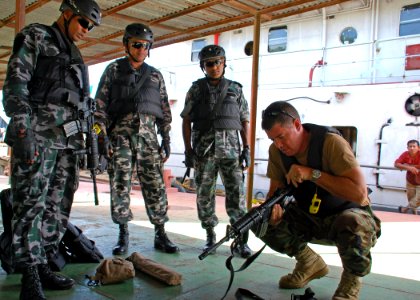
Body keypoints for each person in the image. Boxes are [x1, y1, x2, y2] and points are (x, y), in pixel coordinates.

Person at [2, 0, 101, 299]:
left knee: (57, 206)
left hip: (68, 143)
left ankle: (44, 260)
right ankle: (29, 273)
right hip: (39, 135)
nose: (86, 30)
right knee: (29, 203)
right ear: (67, 13)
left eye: (91, 26)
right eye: (84, 22)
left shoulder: (76, 55)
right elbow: (16, 84)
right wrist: (23, 130)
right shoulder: (36, 36)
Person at [255, 101, 381, 299]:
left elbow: (360, 194)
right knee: (257, 219)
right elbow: (274, 193)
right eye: (273, 140)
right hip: (310, 216)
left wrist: (312, 174)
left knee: (353, 222)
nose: (279, 145)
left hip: (345, 216)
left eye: (281, 137)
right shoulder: (277, 152)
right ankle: (308, 262)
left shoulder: (330, 143)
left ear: (297, 125)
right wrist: (272, 212)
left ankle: (351, 280)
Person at [94, 23, 179, 255]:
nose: (141, 49)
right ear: (126, 45)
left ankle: (160, 233)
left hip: (149, 140)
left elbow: (164, 110)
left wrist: (167, 138)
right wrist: (101, 139)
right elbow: (98, 109)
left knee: (156, 187)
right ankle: (123, 233)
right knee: (119, 185)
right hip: (120, 138)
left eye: (145, 45)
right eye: (137, 44)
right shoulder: (113, 70)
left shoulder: (155, 76)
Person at [181, 45, 252, 258]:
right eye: (209, 64)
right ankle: (210, 236)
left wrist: (247, 148)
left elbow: (244, 120)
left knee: (237, 197)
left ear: (224, 63)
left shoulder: (236, 89)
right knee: (204, 195)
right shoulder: (195, 90)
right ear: (203, 67)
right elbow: (186, 121)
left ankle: (241, 240)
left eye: (218, 62)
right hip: (204, 153)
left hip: (231, 153)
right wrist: (188, 150)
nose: (214, 67)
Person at [394, 139, 420, 214]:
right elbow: (396, 164)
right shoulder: (405, 154)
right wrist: (409, 168)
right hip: (410, 181)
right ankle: (414, 216)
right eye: (410, 146)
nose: (412, 148)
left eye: (414, 146)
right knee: (411, 199)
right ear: (407, 147)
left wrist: (406, 165)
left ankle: (404, 209)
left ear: (418, 148)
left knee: (418, 200)